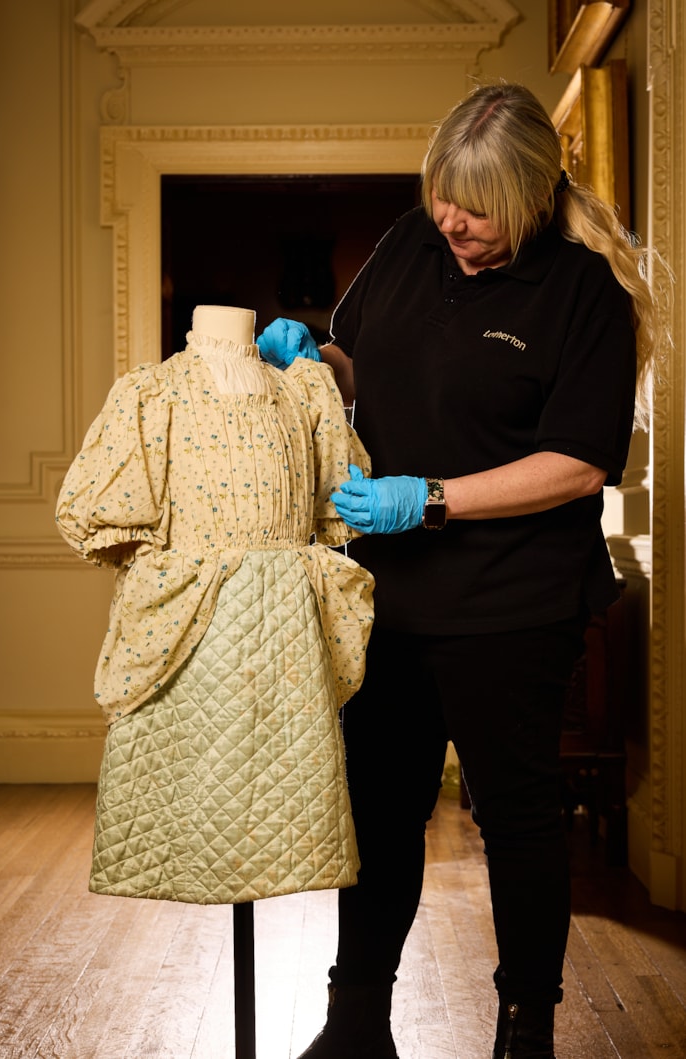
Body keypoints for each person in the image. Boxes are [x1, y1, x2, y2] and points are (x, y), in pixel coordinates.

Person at [255, 82, 670, 1059]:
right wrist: (312, 358)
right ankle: (353, 1023)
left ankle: (523, 1031)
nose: (454, 219)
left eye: (477, 206)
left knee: (517, 822)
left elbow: (577, 463)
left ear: (529, 197)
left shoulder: (581, 292)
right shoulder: (410, 243)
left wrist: (429, 497)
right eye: (443, 194)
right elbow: (361, 364)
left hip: (513, 602)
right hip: (390, 599)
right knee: (380, 812)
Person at [56, 304, 375, 907]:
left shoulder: (302, 390)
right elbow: (99, 515)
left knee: (285, 800)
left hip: (285, 629)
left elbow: (336, 502)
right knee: (188, 794)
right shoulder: (151, 394)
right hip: (188, 621)